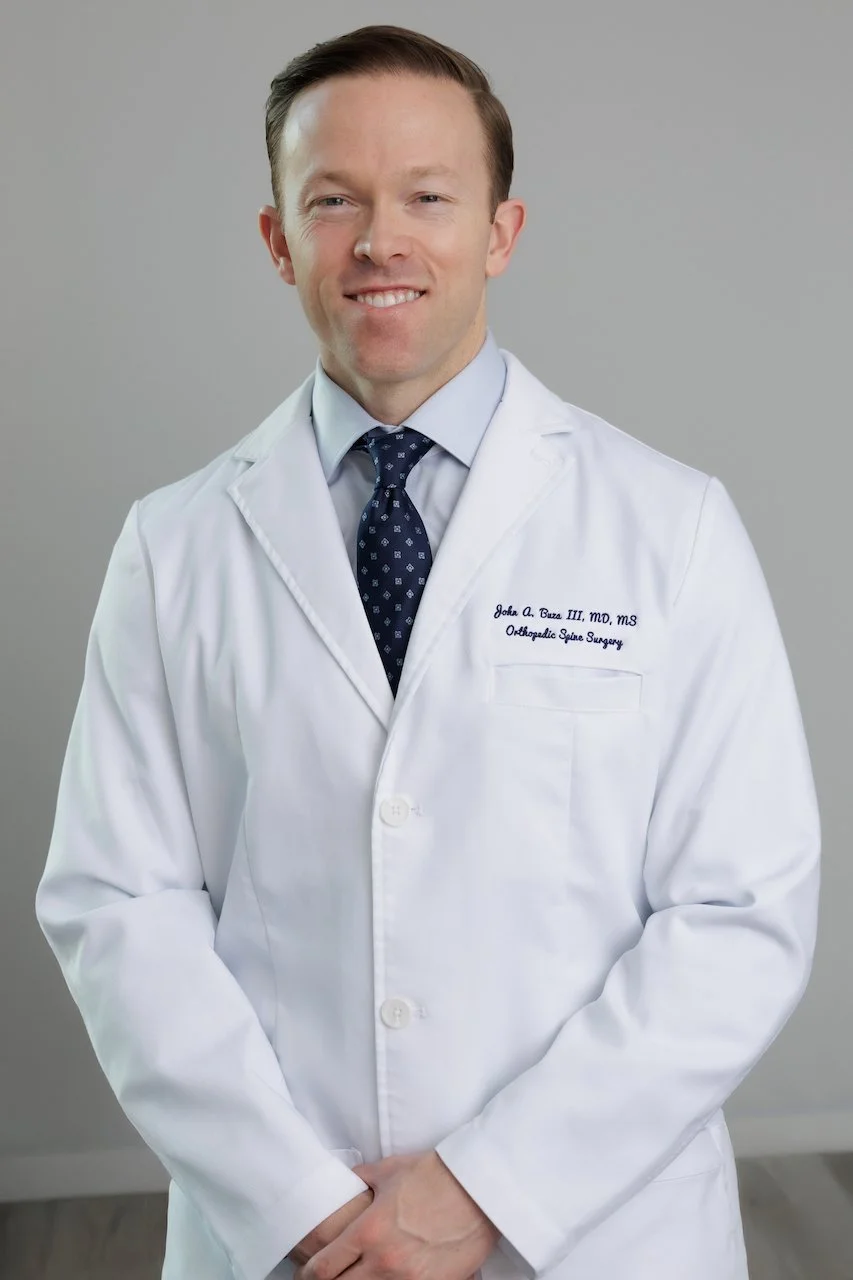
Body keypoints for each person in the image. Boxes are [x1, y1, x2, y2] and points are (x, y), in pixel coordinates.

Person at [35, 22, 821, 1280]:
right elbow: (118, 903)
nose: (379, 241)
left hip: (596, 1229)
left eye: (428, 197)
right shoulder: (175, 544)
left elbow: (740, 910)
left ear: (500, 231)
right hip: (291, 1232)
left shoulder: (668, 526)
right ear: (278, 238)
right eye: (333, 200)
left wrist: (485, 1187)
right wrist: (297, 1199)